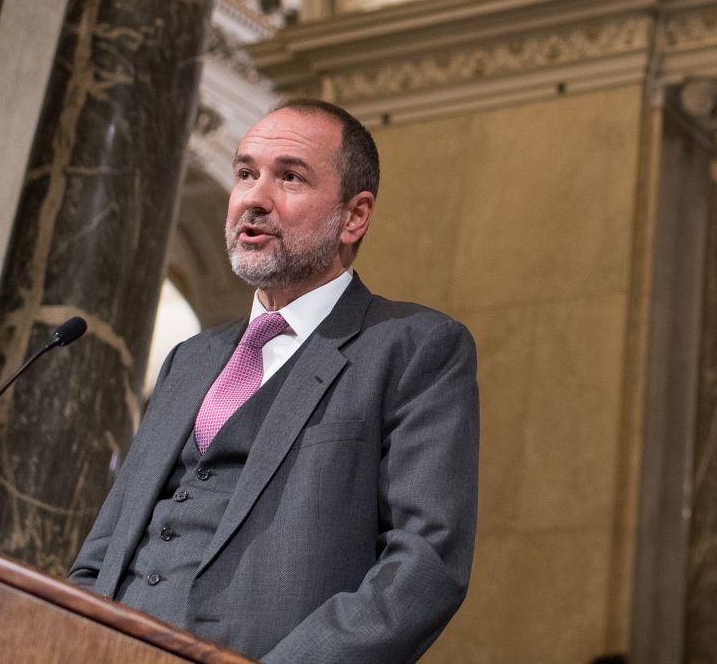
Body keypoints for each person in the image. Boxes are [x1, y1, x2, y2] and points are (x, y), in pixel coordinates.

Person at [69, 99, 479, 664]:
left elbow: (425, 564)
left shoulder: (414, 347)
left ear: (354, 216)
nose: (254, 199)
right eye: (245, 173)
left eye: (289, 177)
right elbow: (102, 550)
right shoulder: (189, 358)